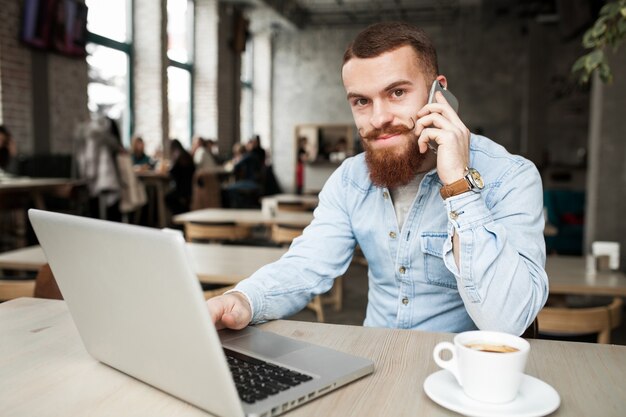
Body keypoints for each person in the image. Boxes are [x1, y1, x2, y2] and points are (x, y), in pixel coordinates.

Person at [207, 22, 548, 335]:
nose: (379, 117)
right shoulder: (350, 180)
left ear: (438, 94)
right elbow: (308, 263)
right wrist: (245, 299)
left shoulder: (511, 176)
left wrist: (458, 186)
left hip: (460, 377)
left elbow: (507, 322)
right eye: (361, 101)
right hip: (375, 364)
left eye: (397, 93)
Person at [165, 139, 195, 215]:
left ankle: (179, 217)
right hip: (191, 188)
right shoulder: (187, 155)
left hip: (182, 190)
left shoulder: (178, 156)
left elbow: (172, 172)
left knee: (167, 197)